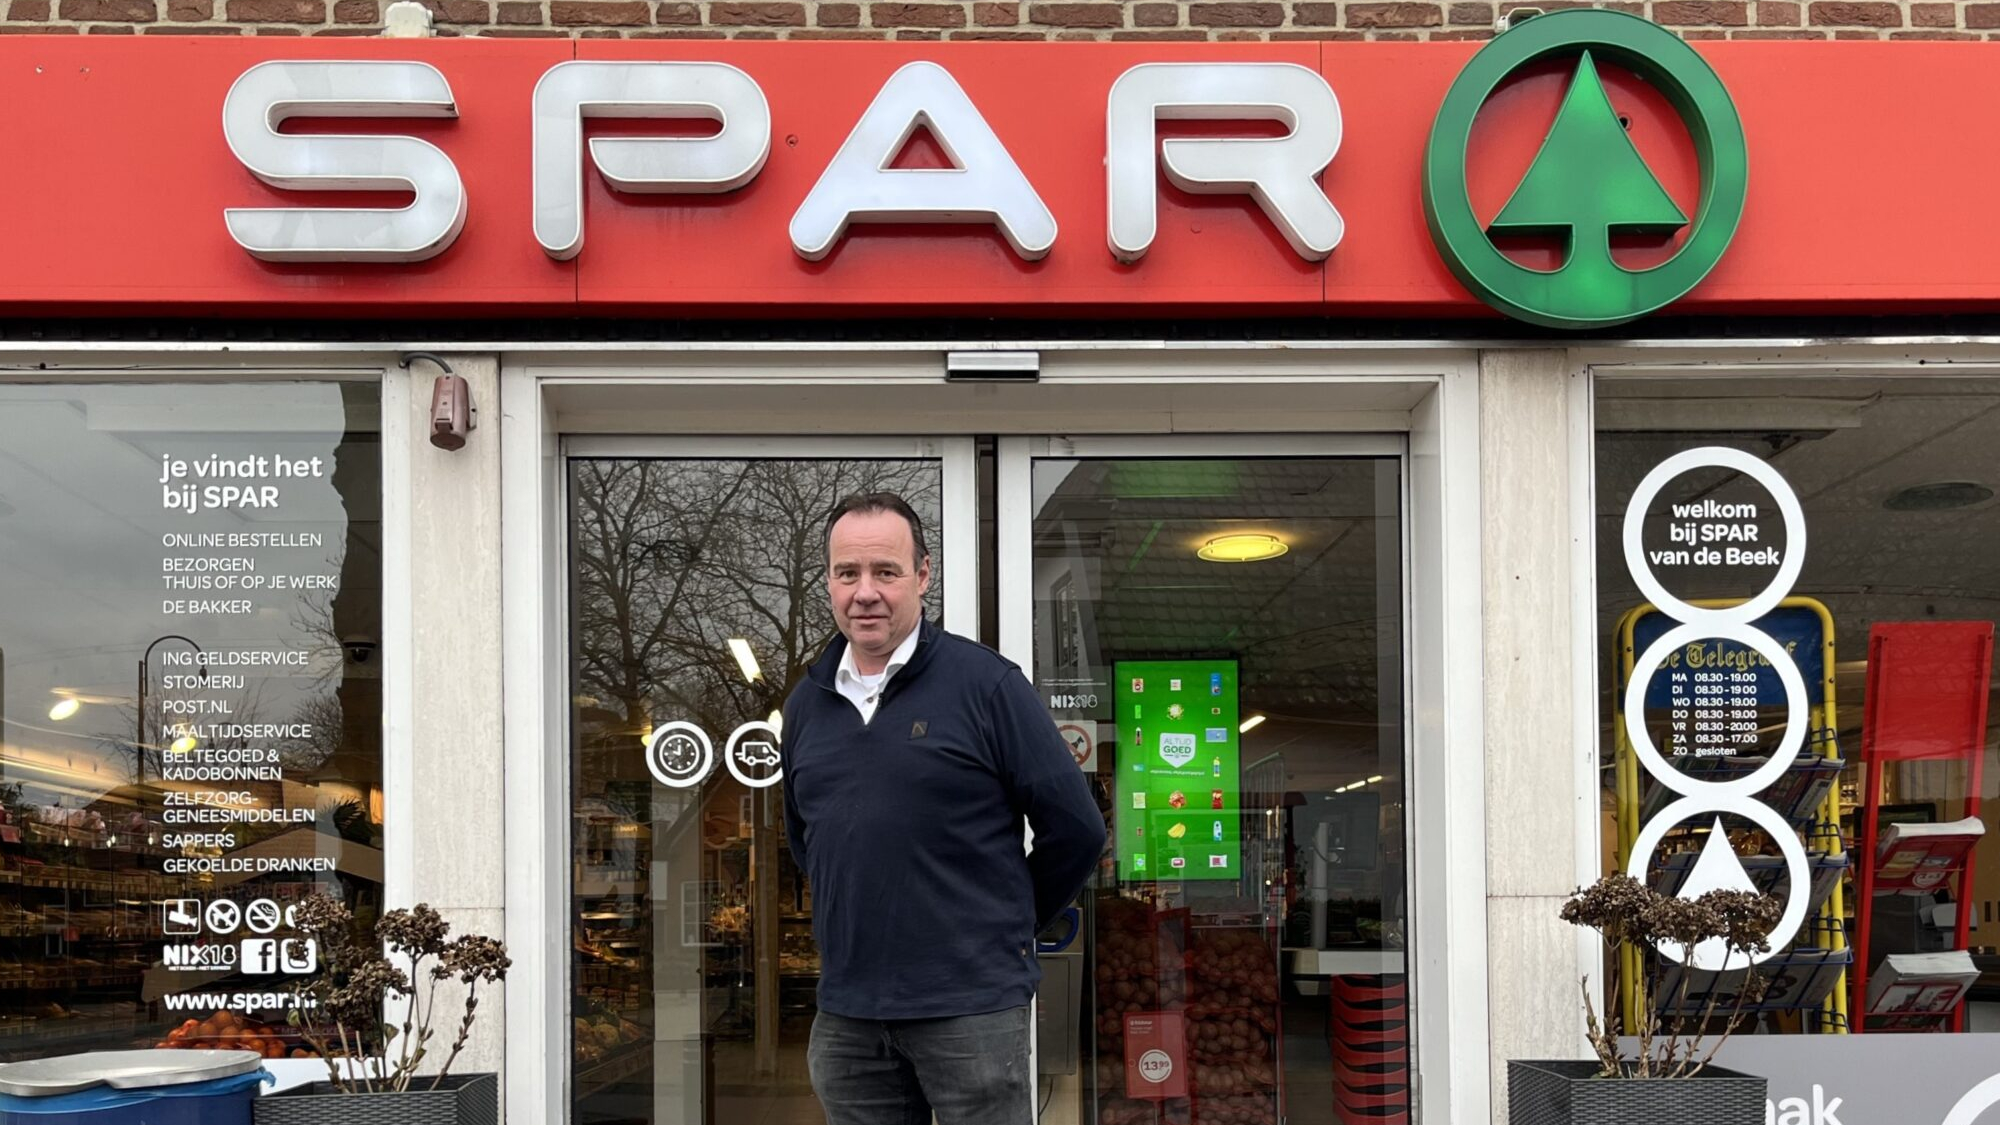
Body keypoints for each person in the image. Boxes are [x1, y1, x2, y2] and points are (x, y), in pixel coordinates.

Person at [780, 491, 1107, 1125]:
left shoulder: (986, 686)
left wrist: (1005, 925)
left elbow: (1077, 829)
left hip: (971, 1010)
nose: (865, 592)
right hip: (849, 1016)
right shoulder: (807, 705)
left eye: (885, 572)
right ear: (829, 582)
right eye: (848, 573)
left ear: (922, 576)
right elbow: (808, 841)